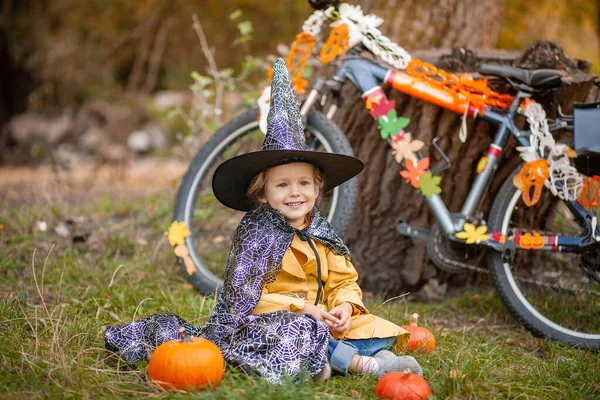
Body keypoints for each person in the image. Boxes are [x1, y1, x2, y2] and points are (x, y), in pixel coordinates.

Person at [104, 58, 422, 384]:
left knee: (371, 326)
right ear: (263, 194)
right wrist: (300, 309)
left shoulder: (322, 232)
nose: (294, 193)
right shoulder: (255, 235)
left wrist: (344, 307)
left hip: (323, 320)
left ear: (317, 189)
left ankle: (337, 355)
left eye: (303, 183)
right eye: (282, 185)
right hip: (270, 320)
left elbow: (343, 281)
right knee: (293, 332)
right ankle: (360, 364)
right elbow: (246, 298)